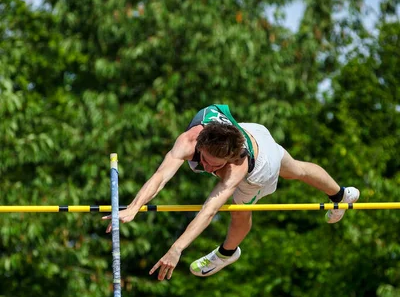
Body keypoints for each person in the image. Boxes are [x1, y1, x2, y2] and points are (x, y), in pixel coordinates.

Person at [104, 104, 359, 281]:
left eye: (217, 165)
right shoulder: (189, 140)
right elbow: (160, 177)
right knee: (297, 169)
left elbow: (209, 210)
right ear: (200, 144)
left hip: (260, 162)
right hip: (251, 130)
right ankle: (341, 195)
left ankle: (227, 253)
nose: (209, 168)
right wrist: (133, 207)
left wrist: (177, 248)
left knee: (239, 211)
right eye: (206, 160)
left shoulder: (237, 166)